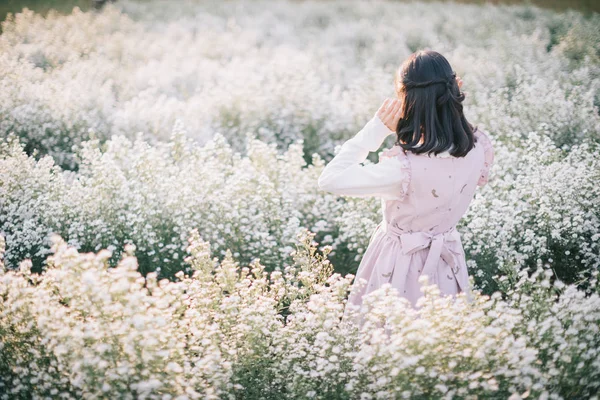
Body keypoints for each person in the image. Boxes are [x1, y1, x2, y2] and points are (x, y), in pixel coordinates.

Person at [317, 50, 494, 324]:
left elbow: (329, 179)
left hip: (398, 265)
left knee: (387, 339)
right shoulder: (478, 147)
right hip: (448, 263)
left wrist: (375, 130)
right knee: (443, 342)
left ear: (407, 102)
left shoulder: (402, 169)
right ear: (455, 89)